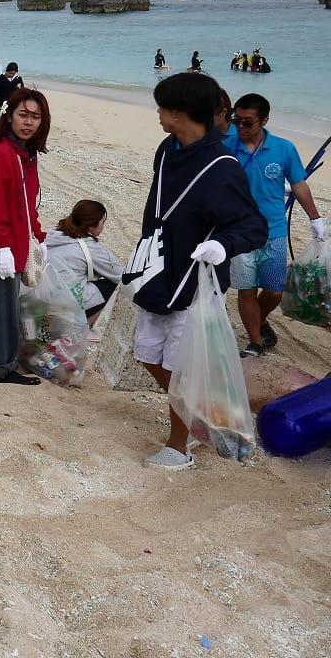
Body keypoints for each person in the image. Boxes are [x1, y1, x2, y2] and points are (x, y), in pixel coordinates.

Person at [127, 73, 265, 469]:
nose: (158, 113)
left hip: (195, 282)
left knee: (180, 366)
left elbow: (252, 226)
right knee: (147, 353)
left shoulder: (223, 166)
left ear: (182, 112)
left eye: (163, 107)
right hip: (158, 269)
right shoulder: (167, 149)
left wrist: (222, 245)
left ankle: (179, 445)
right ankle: (200, 415)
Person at [222, 93, 325, 356]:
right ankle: (255, 343)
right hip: (239, 232)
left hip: (274, 230)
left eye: (248, 122)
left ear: (264, 120)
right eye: (236, 120)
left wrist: (315, 218)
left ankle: (260, 319)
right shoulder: (225, 146)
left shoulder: (284, 148)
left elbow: (299, 184)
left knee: (274, 291)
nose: (241, 127)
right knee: (246, 289)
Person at [0, 89, 51, 385]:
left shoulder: (25, 153)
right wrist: (2, 246)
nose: (29, 122)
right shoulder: (1, 152)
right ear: (9, 116)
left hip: (15, 240)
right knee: (2, 306)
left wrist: (38, 236)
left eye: (36, 117)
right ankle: (0, 367)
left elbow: (27, 202)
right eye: (23, 115)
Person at [44, 200, 123, 326]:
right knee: (114, 287)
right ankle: (81, 327)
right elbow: (120, 276)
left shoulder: (53, 235)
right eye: (103, 222)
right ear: (91, 226)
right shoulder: (90, 247)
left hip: (41, 300)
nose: (103, 226)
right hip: (64, 307)